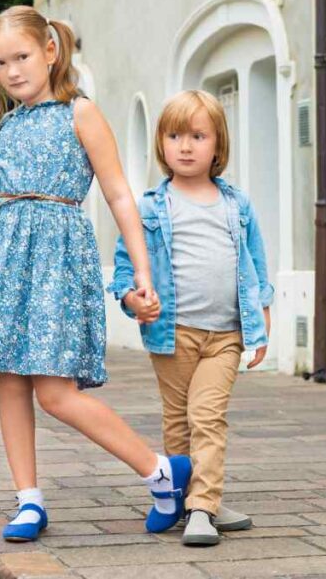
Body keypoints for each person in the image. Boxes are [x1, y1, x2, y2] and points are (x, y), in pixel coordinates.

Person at [0, 5, 190, 542]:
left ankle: (161, 471)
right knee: (9, 380)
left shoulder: (80, 113)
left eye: (21, 57)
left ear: (50, 52)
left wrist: (142, 271)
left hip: (56, 261)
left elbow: (119, 194)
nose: (12, 71)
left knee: (55, 392)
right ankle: (28, 500)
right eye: (0, 63)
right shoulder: (4, 125)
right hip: (3, 261)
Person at [108, 89, 273, 546]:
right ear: (161, 144)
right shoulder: (150, 208)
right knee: (178, 420)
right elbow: (125, 266)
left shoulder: (237, 206)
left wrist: (263, 312)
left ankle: (202, 506)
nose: (185, 146)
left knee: (207, 415)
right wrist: (132, 299)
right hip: (172, 333)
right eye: (175, 135)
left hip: (225, 335)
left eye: (197, 136)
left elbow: (255, 261)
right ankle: (189, 498)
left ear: (217, 145)